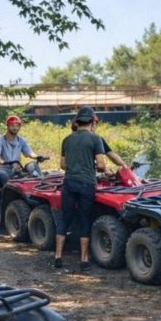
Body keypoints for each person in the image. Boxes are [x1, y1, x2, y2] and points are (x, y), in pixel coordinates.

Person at [55, 107, 106, 271]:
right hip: (86, 185)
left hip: (69, 183)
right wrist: (96, 168)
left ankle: (58, 257)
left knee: (65, 218)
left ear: (77, 121)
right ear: (92, 121)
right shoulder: (95, 139)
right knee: (85, 219)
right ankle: (84, 260)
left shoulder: (67, 139)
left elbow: (62, 165)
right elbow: (101, 165)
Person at [0, 115, 41, 219]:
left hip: (18, 170)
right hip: (5, 170)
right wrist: (3, 161)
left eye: (17, 125)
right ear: (7, 126)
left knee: (32, 166)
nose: (15, 128)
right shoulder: (0, 140)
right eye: (12, 125)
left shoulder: (21, 140)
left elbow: (28, 152)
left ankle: (37, 197)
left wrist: (37, 156)